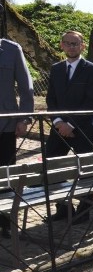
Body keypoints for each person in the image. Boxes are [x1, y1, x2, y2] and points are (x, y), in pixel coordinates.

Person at [45, 30, 93, 223]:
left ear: (82, 46)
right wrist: (59, 122)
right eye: (68, 43)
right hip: (58, 127)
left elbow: (91, 101)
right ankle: (62, 206)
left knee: (85, 169)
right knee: (52, 165)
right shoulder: (56, 69)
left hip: (82, 127)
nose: (71, 46)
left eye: (75, 43)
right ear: (61, 45)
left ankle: (85, 210)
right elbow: (51, 98)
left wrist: (71, 124)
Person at [0, 34, 34, 238]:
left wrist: (24, 118)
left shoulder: (12, 49)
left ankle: (6, 221)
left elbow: (26, 86)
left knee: (6, 176)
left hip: (4, 124)